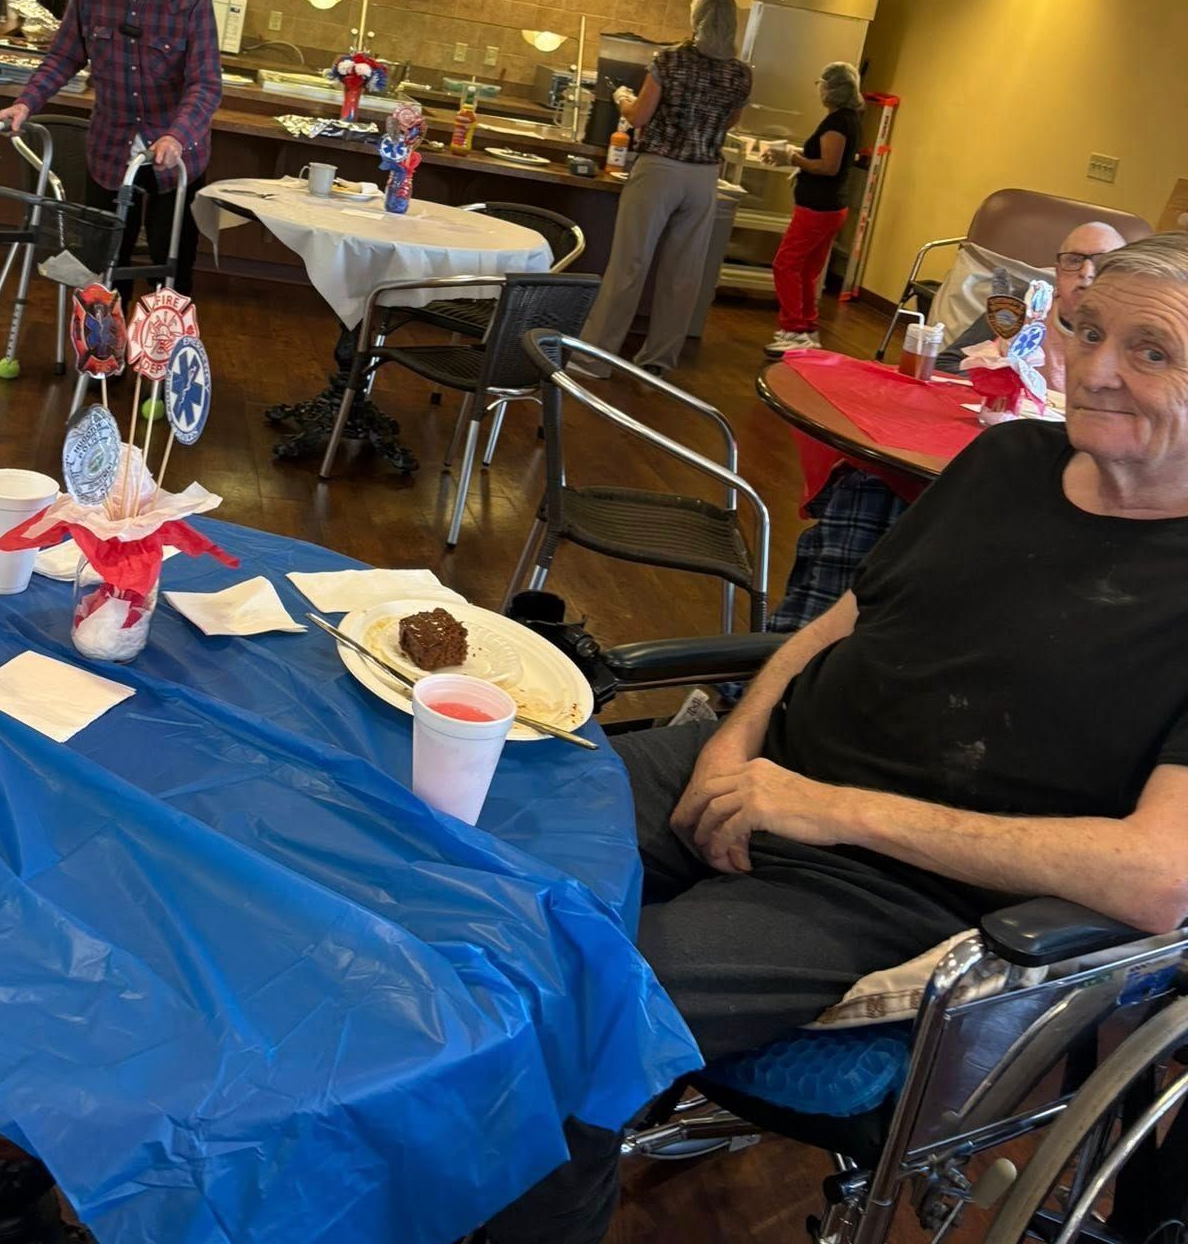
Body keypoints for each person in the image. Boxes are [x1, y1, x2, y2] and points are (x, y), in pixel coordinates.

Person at [487, 232, 1188, 1244]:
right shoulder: (1005, 458)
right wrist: (735, 738)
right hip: (753, 770)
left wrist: (825, 806)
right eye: (1085, 330)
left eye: (1152, 349)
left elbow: (1157, 875)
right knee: (466, 838)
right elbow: (835, 621)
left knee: (568, 1023)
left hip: (884, 885)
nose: (1097, 367)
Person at [0, 0, 221, 296]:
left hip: (174, 155)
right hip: (110, 149)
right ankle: (106, 358)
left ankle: (157, 357)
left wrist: (177, 135)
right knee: (106, 266)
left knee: (170, 272)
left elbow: (205, 84)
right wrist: (25, 103)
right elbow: (62, 58)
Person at [575, 0, 751, 377]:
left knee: (630, 263)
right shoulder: (740, 73)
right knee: (684, 272)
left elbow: (638, 117)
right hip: (705, 176)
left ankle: (595, 359)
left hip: (660, 170)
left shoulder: (670, 60)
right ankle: (658, 360)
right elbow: (729, 123)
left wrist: (622, 95)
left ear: (696, 18)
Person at [764, 61, 864, 356]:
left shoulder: (837, 122)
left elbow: (828, 166)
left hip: (818, 208)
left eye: (821, 83)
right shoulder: (850, 119)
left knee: (786, 264)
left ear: (831, 88)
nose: (818, 88)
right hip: (830, 207)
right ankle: (807, 327)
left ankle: (794, 329)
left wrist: (791, 157)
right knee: (807, 270)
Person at [1046, 219, 1127, 396]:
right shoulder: (1024, 308)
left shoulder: (1137, 331)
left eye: (1102, 261)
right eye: (1074, 260)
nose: (1086, 272)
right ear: (1058, 272)